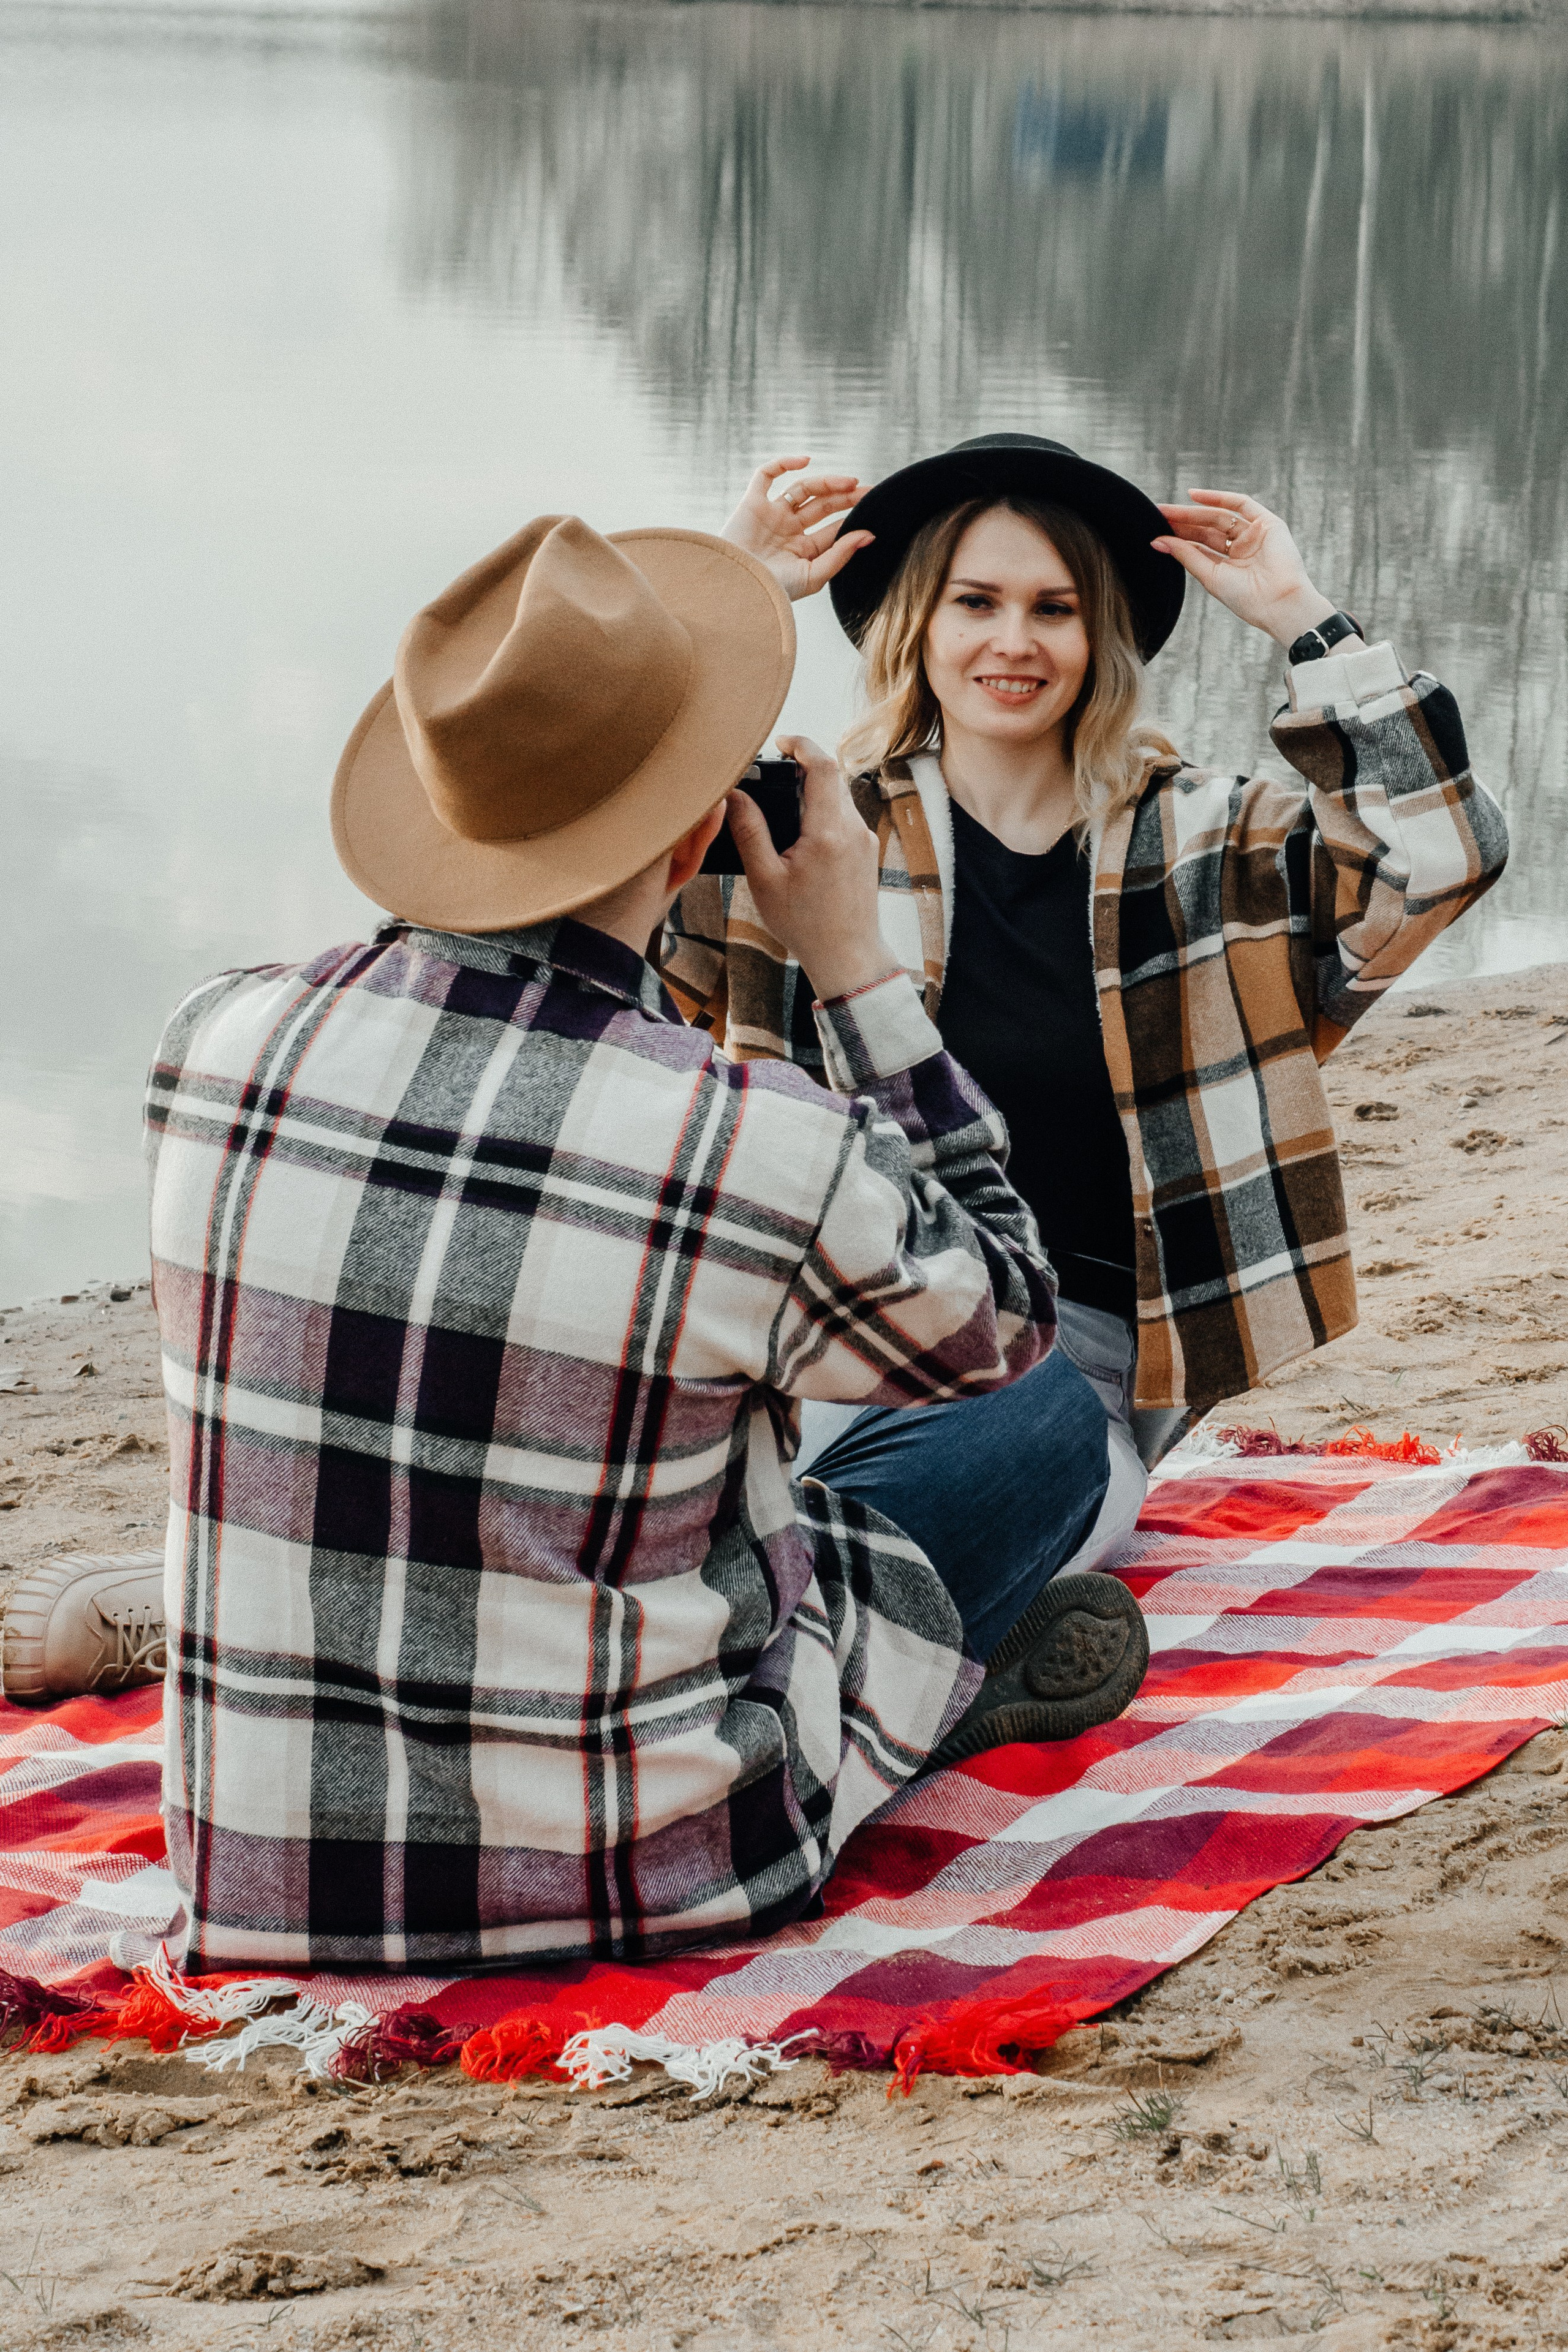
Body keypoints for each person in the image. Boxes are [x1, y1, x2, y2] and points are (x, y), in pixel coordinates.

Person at [5, 514, 1150, 1969]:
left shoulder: (211, 1039)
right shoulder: (750, 1137)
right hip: (649, 1868)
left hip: (268, 1872)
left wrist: (580, 733)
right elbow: (1011, 1311)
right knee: (1038, 1420)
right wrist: (852, 963)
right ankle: (910, 1704)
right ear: (700, 828)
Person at [666, 436, 1509, 1544]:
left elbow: (1442, 856)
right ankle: (910, 1642)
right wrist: (729, 591)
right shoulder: (810, 832)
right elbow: (572, 859)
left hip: (1081, 1354)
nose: (1013, 642)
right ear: (917, 623)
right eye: (977, 602)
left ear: (1098, 638)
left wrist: (1301, 617)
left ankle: (872, 1638)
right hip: (837, 1331)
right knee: (761, 1494)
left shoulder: (1208, 842)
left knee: (1044, 1485)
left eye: (1054, 609)